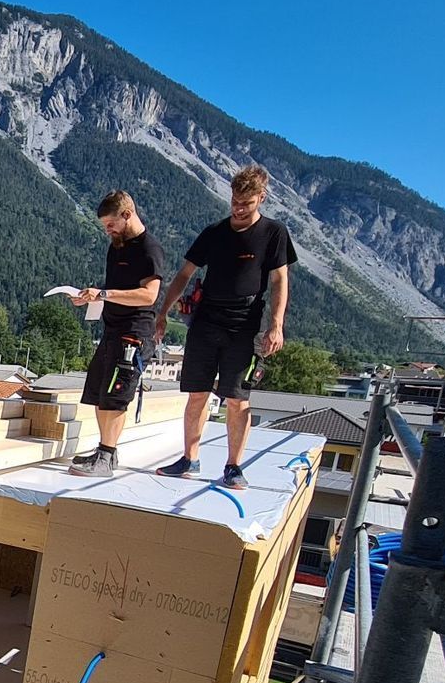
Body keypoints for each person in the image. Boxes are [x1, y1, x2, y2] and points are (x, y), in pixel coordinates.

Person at [153, 164, 296, 489]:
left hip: (244, 327)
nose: (238, 209)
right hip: (205, 321)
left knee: (237, 399)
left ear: (261, 198)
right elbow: (184, 274)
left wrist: (276, 324)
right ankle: (189, 458)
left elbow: (279, 280)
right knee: (196, 394)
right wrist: (163, 312)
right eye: (234, 201)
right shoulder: (214, 232)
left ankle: (233, 466)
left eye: (246, 203)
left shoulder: (274, 233)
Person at [60, 191, 164, 477]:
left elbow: (148, 296)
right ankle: (105, 452)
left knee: (117, 395)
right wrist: (93, 298)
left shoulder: (148, 249)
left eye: (110, 224)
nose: (108, 230)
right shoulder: (116, 247)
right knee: (99, 393)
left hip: (134, 333)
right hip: (112, 330)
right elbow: (116, 291)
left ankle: (105, 457)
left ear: (127, 215)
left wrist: (103, 293)